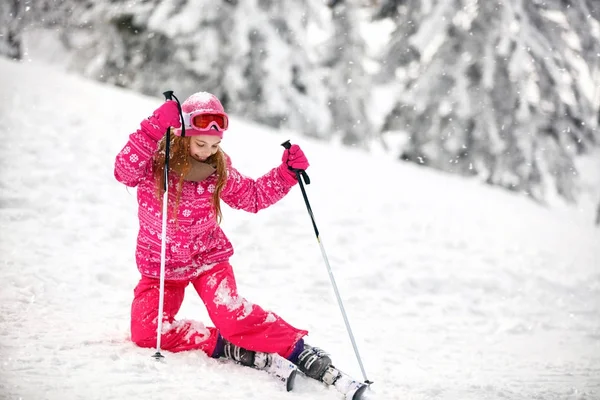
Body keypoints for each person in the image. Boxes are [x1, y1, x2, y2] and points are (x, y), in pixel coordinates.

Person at [114, 91, 333, 381]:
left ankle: (296, 348)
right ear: (181, 135)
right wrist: (151, 129)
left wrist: (285, 174)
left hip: (207, 260)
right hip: (160, 267)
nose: (207, 150)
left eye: (215, 144)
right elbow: (123, 172)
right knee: (145, 332)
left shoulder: (218, 169)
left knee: (230, 315)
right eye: (200, 143)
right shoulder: (156, 164)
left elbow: (252, 197)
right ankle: (222, 345)